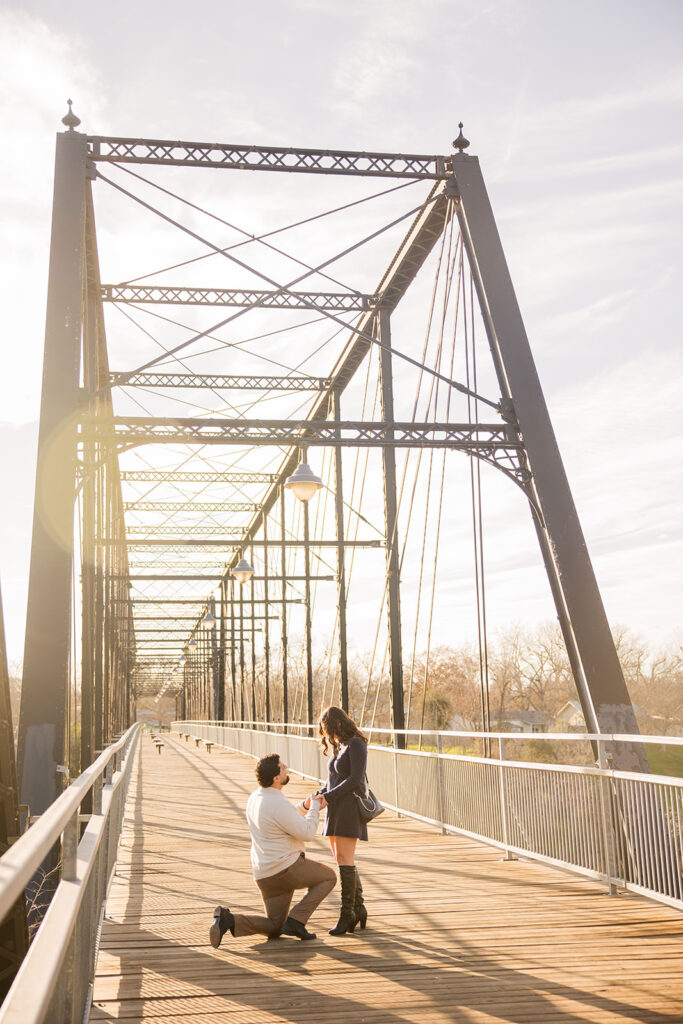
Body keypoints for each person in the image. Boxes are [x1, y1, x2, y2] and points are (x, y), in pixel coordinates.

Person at [209, 752, 336, 945]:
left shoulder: (255, 798)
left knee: (275, 926)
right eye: (283, 766)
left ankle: (229, 920)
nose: (287, 767)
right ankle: (297, 920)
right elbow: (307, 833)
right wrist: (314, 809)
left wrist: (304, 806)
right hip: (286, 869)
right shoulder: (277, 803)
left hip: (264, 875)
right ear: (276, 778)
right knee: (329, 877)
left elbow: (282, 818)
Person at [317, 706, 369, 936]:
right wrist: (320, 794)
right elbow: (333, 778)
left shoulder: (356, 744)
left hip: (348, 807)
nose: (327, 736)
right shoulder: (340, 746)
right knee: (341, 859)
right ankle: (358, 907)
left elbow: (355, 779)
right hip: (335, 807)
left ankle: (347, 913)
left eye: (328, 730)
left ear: (337, 724)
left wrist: (329, 797)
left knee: (345, 860)